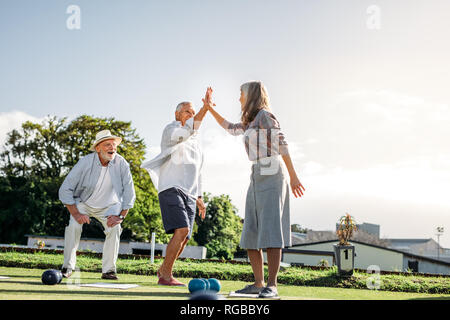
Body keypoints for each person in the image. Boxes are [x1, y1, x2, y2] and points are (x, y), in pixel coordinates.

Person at [205, 81, 305, 298]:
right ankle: (258, 283)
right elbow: (230, 128)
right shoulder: (250, 121)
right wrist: (209, 107)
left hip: (272, 171)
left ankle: (272, 285)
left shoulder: (265, 116)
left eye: (241, 93)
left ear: (251, 95)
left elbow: (282, 144)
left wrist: (294, 177)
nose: (239, 97)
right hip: (257, 173)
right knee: (250, 230)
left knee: (271, 229)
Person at [141, 88, 211, 286]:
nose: (191, 114)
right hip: (171, 187)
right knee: (181, 230)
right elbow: (188, 131)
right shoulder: (171, 130)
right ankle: (165, 276)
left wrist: (199, 197)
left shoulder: (196, 141)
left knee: (186, 236)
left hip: (189, 193)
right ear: (177, 114)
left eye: (193, 111)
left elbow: (198, 170)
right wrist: (205, 110)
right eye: (188, 111)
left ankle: (163, 270)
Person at [58, 130, 136, 280]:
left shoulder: (122, 163)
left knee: (115, 228)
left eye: (114, 145)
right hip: (84, 202)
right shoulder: (85, 162)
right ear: (98, 148)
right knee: (73, 226)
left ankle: (108, 270)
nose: (112, 148)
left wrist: (121, 216)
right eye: (107, 144)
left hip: (109, 205)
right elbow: (65, 189)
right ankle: (67, 267)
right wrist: (76, 213)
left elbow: (129, 191)